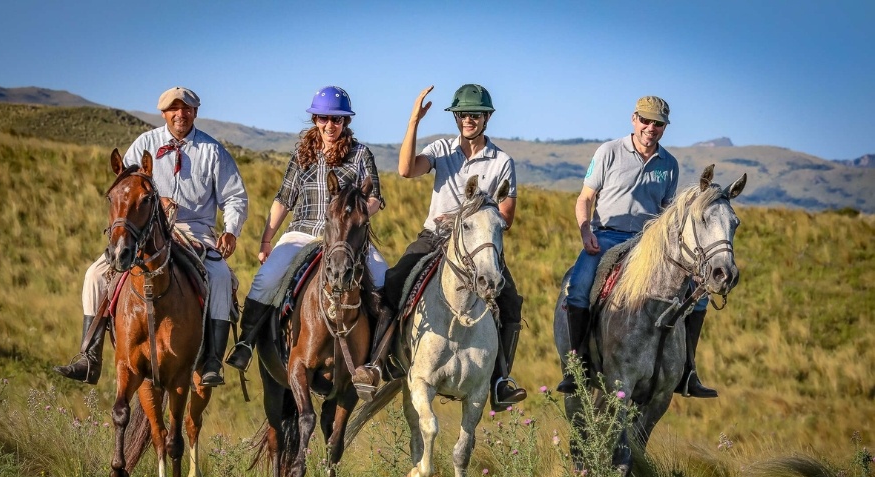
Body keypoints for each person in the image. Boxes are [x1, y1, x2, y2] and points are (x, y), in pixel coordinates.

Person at [54, 86, 248, 387]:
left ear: (195, 112)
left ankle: (212, 360)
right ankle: (89, 357)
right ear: (164, 113)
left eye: (186, 109)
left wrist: (231, 230)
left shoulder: (213, 151)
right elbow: (129, 187)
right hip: (145, 231)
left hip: (194, 229)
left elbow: (235, 197)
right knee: (94, 275)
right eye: (174, 109)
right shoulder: (144, 143)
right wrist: (158, 202)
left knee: (220, 276)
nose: (180, 114)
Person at [351, 84, 527, 412]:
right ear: (456, 117)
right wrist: (413, 122)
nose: (468, 119)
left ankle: (501, 380)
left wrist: (465, 216)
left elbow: (506, 216)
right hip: (435, 237)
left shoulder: (502, 161)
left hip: (479, 244)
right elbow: (406, 170)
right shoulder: (443, 148)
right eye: (462, 114)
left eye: (475, 114)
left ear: (487, 117)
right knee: (393, 283)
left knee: (511, 301)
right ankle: (376, 364)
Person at [557, 95, 717, 398]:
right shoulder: (609, 152)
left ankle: (688, 372)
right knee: (577, 288)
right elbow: (585, 197)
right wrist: (585, 230)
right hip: (606, 236)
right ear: (634, 119)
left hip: (649, 244)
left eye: (657, 123)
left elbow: (669, 213)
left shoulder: (669, 164)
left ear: (664, 128)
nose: (650, 128)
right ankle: (576, 367)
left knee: (699, 296)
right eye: (645, 120)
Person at [224, 86, 387, 376]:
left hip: (347, 237)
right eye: (323, 118)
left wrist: (359, 213)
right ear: (315, 120)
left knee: (384, 279)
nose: (329, 125)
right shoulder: (302, 155)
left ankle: (381, 359)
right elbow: (284, 199)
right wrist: (266, 239)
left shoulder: (361, 154)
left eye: (336, 120)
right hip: (304, 232)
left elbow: (375, 197)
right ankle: (246, 342)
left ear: (345, 122)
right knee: (265, 279)